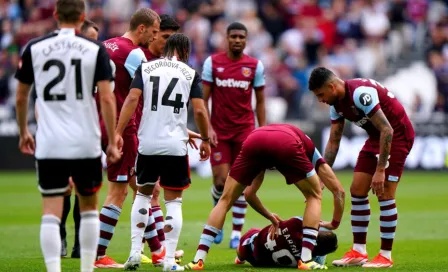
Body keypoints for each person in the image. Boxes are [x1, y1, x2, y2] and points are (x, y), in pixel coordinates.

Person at [15, 1, 119, 271]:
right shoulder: (95, 49)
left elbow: (21, 95)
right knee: (89, 206)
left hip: (50, 142)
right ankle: (86, 268)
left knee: (50, 210)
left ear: (55, 14)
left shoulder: (34, 48)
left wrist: (24, 131)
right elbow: (107, 98)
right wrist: (112, 139)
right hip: (85, 141)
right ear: (83, 16)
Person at [184, 124, 345, 271]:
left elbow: (248, 194)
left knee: (225, 200)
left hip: (254, 140)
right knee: (314, 195)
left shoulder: (263, 154)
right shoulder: (309, 147)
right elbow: (338, 191)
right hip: (286, 142)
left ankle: (198, 259)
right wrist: (334, 223)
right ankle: (306, 259)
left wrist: (269, 216)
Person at [117, 33, 211, 271]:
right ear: (185, 50)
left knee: (142, 196)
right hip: (174, 146)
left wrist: (118, 132)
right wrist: (206, 138)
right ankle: (169, 261)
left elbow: (131, 99)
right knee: (174, 202)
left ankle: (134, 254)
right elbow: (199, 111)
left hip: (147, 143)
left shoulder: (146, 68)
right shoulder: (190, 73)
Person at [308, 67, 415, 268]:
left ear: (332, 86)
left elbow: (387, 129)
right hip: (376, 138)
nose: (320, 100)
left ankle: (385, 255)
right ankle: (358, 251)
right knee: (357, 190)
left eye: (321, 94)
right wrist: (323, 175)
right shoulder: (336, 104)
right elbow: (333, 141)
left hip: (397, 136)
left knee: (384, 194)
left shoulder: (360, 93)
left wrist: (381, 169)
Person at [94, 8, 161, 269]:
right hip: (123, 129)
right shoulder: (134, 53)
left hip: (99, 121)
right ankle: (99, 255)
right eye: (153, 32)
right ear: (141, 28)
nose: (154, 38)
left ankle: (158, 251)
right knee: (118, 193)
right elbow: (143, 93)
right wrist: (120, 133)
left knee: (147, 189)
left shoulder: (104, 46)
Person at [202, 22, 266, 248]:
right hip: (219, 132)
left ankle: (236, 233)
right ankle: (217, 221)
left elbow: (260, 101)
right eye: (233, 36)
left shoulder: (254, 66)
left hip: (245, 132)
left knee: (241, 182)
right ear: (226, 38)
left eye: (241, 37)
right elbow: (203, 99)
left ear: (246, 40)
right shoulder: (213, 63)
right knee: (220, 181)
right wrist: (206, 127)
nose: (237, 40)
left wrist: (262, 130)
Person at [59, 18, 100, 259]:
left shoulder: (97, 66)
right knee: (66, 188)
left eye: (96, 40)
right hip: (64, 133)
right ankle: (62, 235)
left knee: (83, 192)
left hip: (88, 135)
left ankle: (77, 245)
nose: (94, 45)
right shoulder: (66, 65)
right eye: (90, 39)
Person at [235, 216, 338, 268]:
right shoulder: (307, 259)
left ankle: (240, 258)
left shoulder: (296, 223)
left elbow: (311, 222)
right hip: (260, 263)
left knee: (248, 241)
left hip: (253, 247)